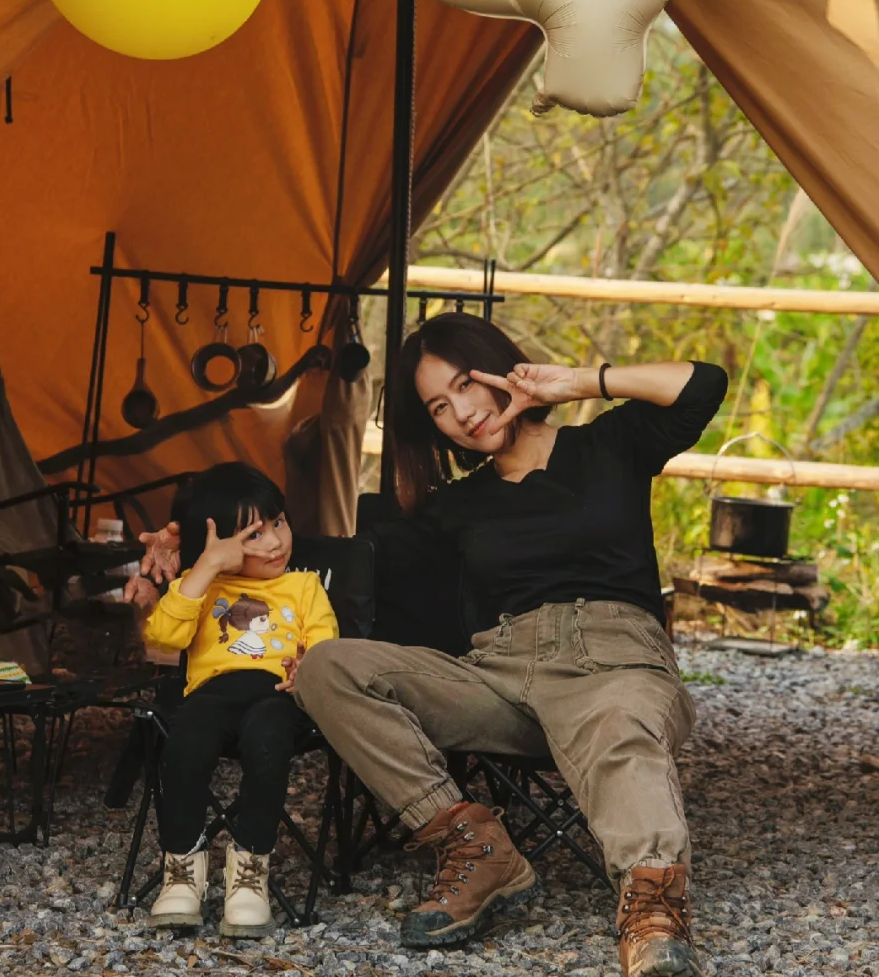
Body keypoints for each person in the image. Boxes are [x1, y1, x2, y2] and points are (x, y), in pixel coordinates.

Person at [294, 314, 727, 977]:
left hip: (612, 664)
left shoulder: (610, 444)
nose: (462, 413)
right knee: (329, 666)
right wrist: (209, 551)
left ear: (501, 367)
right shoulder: (456, 505)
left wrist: (576, 382)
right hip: (500, 678)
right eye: (439, 406)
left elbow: (703, 384)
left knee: (620, 726)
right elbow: (349, 560)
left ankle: (654, 914)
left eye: (465, 384)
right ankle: (477, 847)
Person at [135, 463, 338, 938]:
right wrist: (206, 567)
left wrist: (308, 666)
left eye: (278, 523)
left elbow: (325, 642)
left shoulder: (303, 586)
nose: (275, 542)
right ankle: (182, 868)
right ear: (220, 545)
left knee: (268, 738)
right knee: (185, 741)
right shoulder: (201, 584)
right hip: (213, 693)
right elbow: (163, 635)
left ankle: (250, 869)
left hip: (278, 696)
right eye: (254, 535)